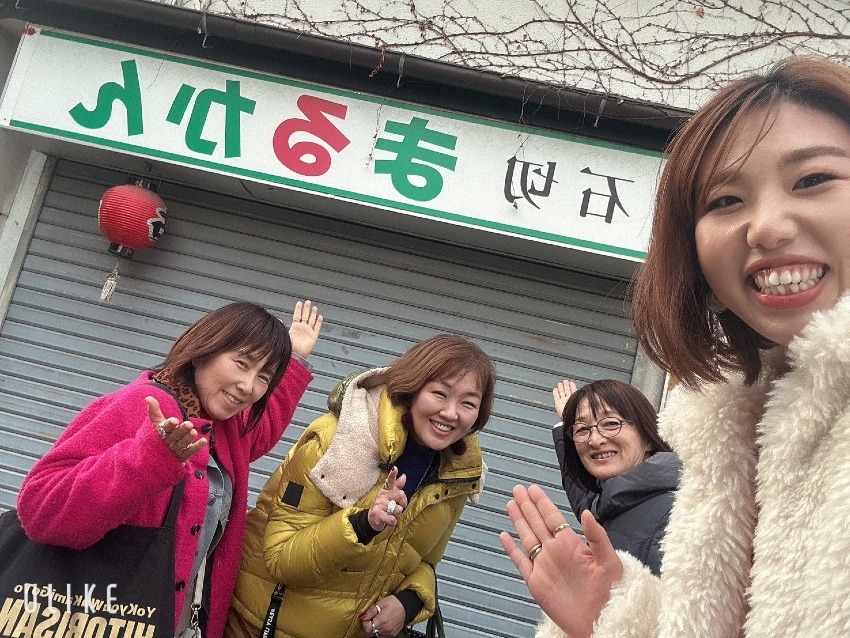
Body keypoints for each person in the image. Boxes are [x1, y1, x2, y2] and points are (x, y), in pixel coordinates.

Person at [499, 55, 850, 638]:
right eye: (725, 201)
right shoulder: (727, 444)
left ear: (645, 427)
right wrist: (615, 618)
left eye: (813, 179)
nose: (765, 227)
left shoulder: (666, 487)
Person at [16, 299, 323, 638]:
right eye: (241, 363)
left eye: (263, 377)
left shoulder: (226, 425)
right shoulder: (143, 406)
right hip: (106, 618)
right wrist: (149, 459)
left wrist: (294, 360)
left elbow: (260, 430)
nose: (248, 386)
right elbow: (40, 509)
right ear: (204, 350)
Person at [225, 333, 496, 638]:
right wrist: (364, 523)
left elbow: (423, 562)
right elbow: (281, 558)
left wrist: (409, 602)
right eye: (439, 394)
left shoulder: (456, 475)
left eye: (468, 403)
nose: (450, 413)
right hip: (262, 626)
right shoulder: (335, 441)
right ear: (413, 388)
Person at [550, 379, 680, 575]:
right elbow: (586, 502)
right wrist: (565, 425)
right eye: (583, 430)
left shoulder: (675, 515)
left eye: (611, 424)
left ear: (648, 437)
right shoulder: (613, 503)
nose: (594, 440)